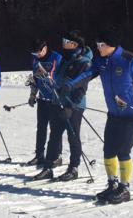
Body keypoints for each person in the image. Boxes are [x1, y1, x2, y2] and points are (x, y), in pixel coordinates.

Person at [64, 29, 133, 204]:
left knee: (123, 151)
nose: (98, 48)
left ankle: (124, 188)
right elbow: (88, 74)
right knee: (108, 151)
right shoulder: (101, 61)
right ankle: (112, 185)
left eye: (101, 45)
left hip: (132, 114)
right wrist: (70, 85)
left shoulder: (131, 61)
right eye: (97, 45)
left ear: (111, 45)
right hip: (114, 114)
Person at [31, 31, 92, 181]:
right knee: (54, 135)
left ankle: (74, 168)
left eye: (66, 41)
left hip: (74, 105)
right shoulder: (65, 59)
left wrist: (70, 106)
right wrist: (48, 79)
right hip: (58, 102)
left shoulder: (84, 61)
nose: (63, 44)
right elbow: (58, 79)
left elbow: (82, 87)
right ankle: (48, 167)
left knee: (73, 135)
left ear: (74, 44)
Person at [26, 39, 63, 168]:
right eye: (35, 54)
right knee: (41, 128)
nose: (37, 56)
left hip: (55, 99)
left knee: (55, 130)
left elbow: (62, 77)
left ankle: (56, 156)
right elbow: (35, 79)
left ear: (45, 48)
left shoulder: (57, 58)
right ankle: (39, 155)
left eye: (39, 53)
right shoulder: (36, 60)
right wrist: (32, 94)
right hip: (42, 99)